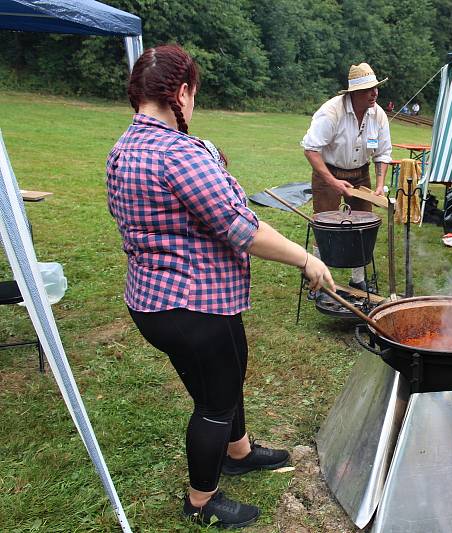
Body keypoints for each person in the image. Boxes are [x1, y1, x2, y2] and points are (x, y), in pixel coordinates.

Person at [106, 44, 334, 529]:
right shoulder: (176, 152)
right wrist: (306, 257)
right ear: (182, 92)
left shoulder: (124, 147)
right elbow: (240, 227)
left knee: (228, 375)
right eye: (195, 94)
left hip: (157, 300)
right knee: (214, 401)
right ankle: (201, 500)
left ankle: (239, 451)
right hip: (188, 305)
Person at [301, 62, 392, 291]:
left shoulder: (378, 115)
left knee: (363, 227)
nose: (374, 93)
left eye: (376, 88)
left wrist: (380, 185)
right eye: (368, 89)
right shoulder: (331, 112)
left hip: (360, 175)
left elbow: (383, 153)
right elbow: (311, 149)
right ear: (354, 93)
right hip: (328, 172)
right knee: (324, 226)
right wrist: (332, 182)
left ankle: (358, 279)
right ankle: (317, 280)